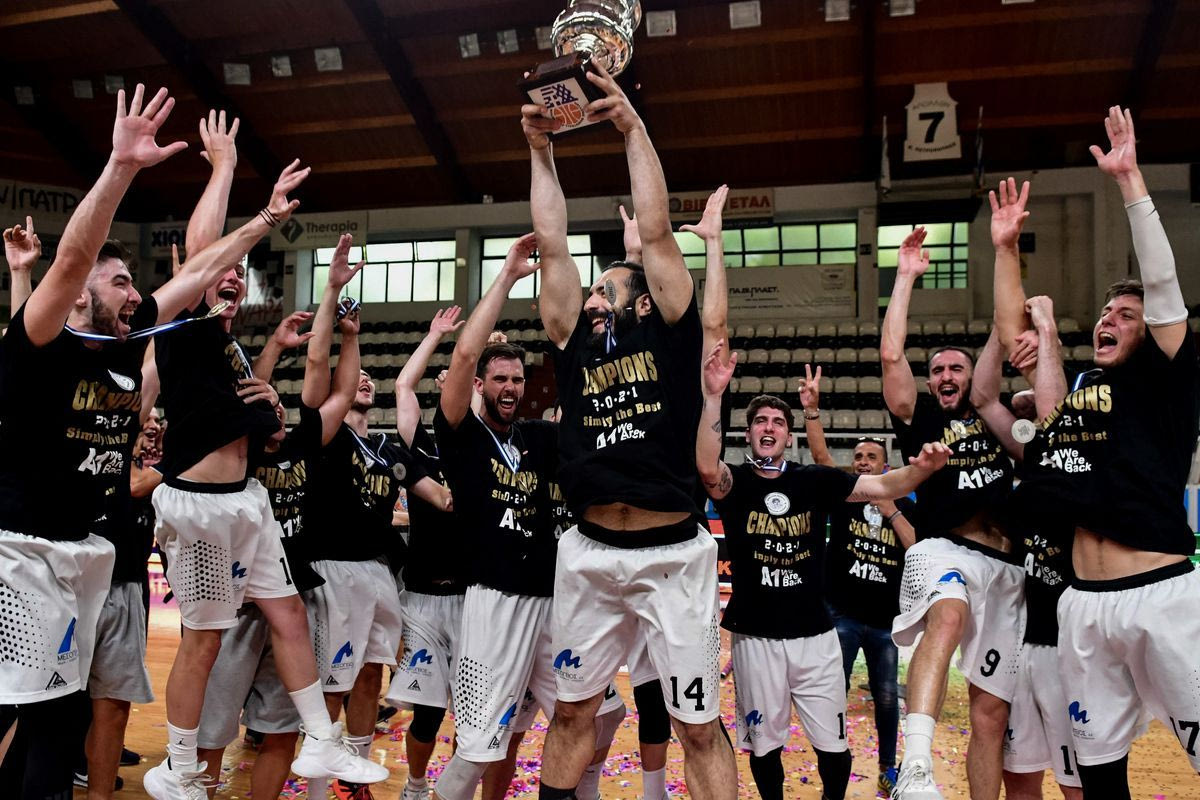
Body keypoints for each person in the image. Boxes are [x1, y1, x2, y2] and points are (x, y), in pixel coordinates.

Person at [145, 138, 389, 797]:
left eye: (239, 275)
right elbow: (204, 253)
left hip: (246, 500)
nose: (232, 278)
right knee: (202, 643)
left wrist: (269, 386)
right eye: (222, 273)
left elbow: (264, 403)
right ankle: (179, 768)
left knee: (289, 614)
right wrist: (227, 169)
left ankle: (324, 742)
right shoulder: (186, 325)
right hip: (199, 505)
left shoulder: (229, 349)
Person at [524, 61, 737, 800]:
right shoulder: (573, 343)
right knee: (571, 713)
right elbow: (552, 243)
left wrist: (631, 129)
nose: (589, 296)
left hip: (672, 553)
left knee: (697, 727)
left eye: (604, 288)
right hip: (588, 553)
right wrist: (541, 151)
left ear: (641, 301)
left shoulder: (669, 330)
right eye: (589, 290)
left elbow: (656, 230)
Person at [993, 107, 1199, 799]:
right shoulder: (1086, 392)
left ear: (1154, 331)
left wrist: (1130, 181)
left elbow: (1163, 287)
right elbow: (1035, 379)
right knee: (1099, 781)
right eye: (1107, 313)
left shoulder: (1167, 381)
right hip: (1082, 606)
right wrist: (1016, 269)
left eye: (1126, 316)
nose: (1110, 320)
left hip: (1161, 596)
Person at [0, 84, 191, 799]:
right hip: (22, 549)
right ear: (79, 291)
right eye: (119, 281)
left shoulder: (120, 355)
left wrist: (258, 217)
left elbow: (194, 278)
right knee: (36, 720)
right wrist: (121, 167)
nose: (133, 293)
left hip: (82, 552)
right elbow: (76, 254)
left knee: (52, 723)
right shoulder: (42, 340)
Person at [697, 340, 949, 800]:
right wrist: (713, 397)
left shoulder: (813, 480)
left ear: (787, 435)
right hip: (755, 638)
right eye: (760, 421)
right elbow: (707, 468)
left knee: (833, 746)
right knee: (764, 747)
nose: (768, 427)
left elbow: (882, 486)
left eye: (777, 422)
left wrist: (922, 472)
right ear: (749, 434)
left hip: (816, 636)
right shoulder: (736, 482)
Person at [430, 235, 624, 800]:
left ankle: (581, 792)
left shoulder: (539, 438)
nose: (511, 387)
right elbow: (462, 356)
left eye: (517, 379)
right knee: (478, 747)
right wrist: (510, 277)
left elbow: (589, 399)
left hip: (551, 604)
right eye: (500, 380)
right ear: (480, 386)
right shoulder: (463, 437)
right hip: (494, 603)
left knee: (603, 712)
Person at [193, 242, 367, 799]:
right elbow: (247, 387)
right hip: (239, 606)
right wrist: (269, 351)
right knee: (212, 732)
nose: (272, 404)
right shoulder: (239, 457)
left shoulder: (304, 444)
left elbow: (341, 390)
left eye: (276, 401)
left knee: (281, 732)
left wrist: (348, 335)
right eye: (262, 401)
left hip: (294, 603)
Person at [880, 226, 1026, 800]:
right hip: (946, 551)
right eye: (937, 370)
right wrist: (905, 277)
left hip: (1008, 569)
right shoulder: (920, 418)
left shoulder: (994, 416)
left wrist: (1006, 252)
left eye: (955, 369)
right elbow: (891, 354)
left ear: (971, 378)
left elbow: (1005, 331)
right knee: (946, 616)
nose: (945, 376)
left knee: (990, 714)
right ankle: (915, 767)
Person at [967, 317, 1081, 800]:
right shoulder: (1030, 461)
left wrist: (1047, 338)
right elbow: (983, 400)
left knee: (1079, 784)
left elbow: (1055, 408)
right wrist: (1001, 327)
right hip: (1025, 643)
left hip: (1072, 647)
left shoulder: (1089, 456)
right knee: (1020, 780)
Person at [385, 306, 466, 800]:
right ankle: (415, 787)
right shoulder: (422, 447)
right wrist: (435, 335)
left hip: (472, 597)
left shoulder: (484, 451)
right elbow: (403, 386)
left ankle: (454, 790)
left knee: (471, 713)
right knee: (427, 715)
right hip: (422, 597)